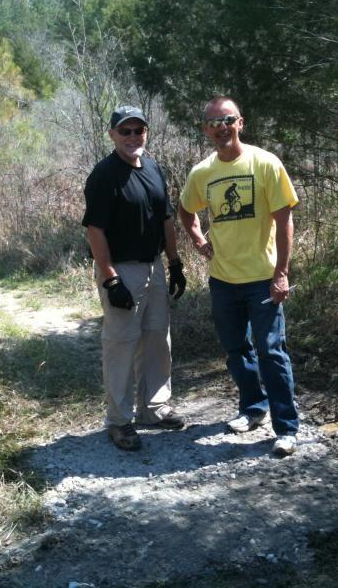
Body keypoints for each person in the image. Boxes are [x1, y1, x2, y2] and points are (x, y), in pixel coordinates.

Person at [178, 96, 299, 456]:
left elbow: (284, 220)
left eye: (227, 120)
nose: (221, 128)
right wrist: (199, 241)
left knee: (271, 352)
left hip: (262, 278)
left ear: (240, 123)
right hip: (223, 280)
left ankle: (286, 427)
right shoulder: (202, 173)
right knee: (236, 350)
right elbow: (185, 211)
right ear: (205, 130)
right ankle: (253, 408)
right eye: (214, 123)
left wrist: (281, 274)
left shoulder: (265, 164)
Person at [82, 105, 187, 451]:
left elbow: (166, 219)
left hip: (153, 266)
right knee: (122, 343)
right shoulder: (104, 175)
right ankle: (119, 420)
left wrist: (174, 264)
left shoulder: (153, 168)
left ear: (146, 133)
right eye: (124, 131)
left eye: (138, 130)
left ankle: (153, 408)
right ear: (112, 135)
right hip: (121, 267)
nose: (132, 137)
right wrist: (110, 278)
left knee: (158, 339)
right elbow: (94, 229)